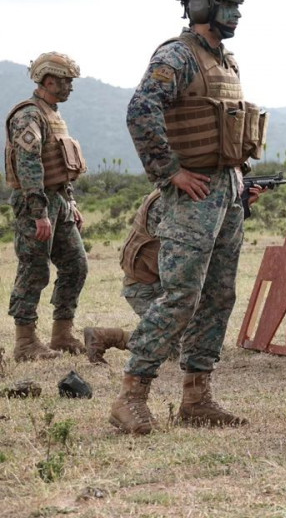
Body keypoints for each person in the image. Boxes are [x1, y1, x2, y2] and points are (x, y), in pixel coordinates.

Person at [110, 0, 266, 435]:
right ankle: (130, 395)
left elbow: (228, 128)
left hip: (226, 191)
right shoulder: (176, 56)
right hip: (192, 195)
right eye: (226, 5)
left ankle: (197, 397)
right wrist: (170, 171)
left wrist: (242, 179)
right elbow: (141, 110)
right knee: (180, 295)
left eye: (238, 6)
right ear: (199, 5)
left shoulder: (227, 62)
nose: (235, 14)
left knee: (218, 296)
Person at [84, 185, 264, 364]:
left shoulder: (176, 192)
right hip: (146, 287)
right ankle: (106, 337)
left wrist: (240, 205)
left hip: (157, 281)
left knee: (199, 340)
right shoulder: (175, 201)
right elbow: (203, 237)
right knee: (179, 348)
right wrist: (234, 203)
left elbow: (211, 228)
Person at [5, 52, 88, 362]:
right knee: (34, 270)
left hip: (59, 201)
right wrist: (39, 213)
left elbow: (58, 163)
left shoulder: (52, 113)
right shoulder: (29, 115)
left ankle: (62, 333)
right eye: (66, 81)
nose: (70, 87)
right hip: (35, 204)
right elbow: (28, 164)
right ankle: (25, 343)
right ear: (49, 81)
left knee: (76, 265)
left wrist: (70, 202)